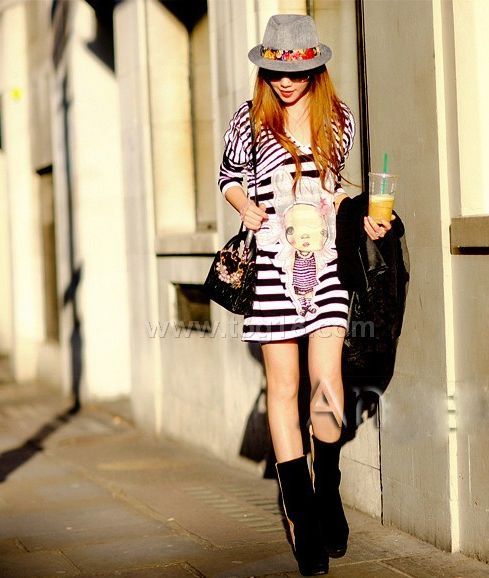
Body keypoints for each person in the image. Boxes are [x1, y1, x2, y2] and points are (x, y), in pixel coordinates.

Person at [218, 14, 392, 576]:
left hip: (327, 266)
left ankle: (328, 488)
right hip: (272, 265)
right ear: (264, 73)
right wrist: (245, 206)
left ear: (316, 69)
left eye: (296, 72)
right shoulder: (248, 119)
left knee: (327, 384)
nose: (286, 83)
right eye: (275, 73)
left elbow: (334, 191)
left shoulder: (337, 119)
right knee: (284, 387)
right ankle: (299, 508)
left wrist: (361, 217)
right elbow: (228, 177)